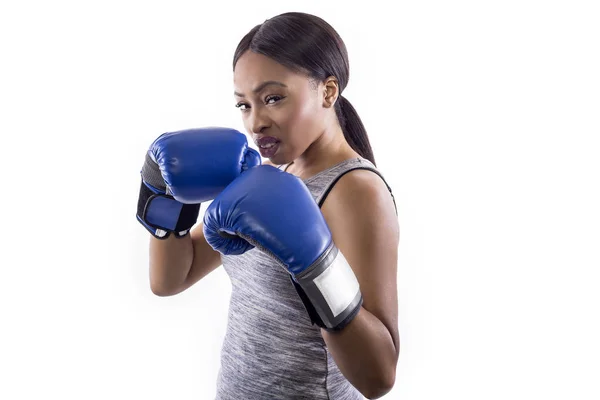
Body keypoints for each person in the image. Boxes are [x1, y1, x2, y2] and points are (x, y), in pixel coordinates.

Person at [136, 11, 400, 400]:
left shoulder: (355, 190)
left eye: (273, 98)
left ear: (328, 92)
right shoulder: (266, 175)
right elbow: (171, 279)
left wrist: (314, 266)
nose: (255, 122)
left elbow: (379, 377)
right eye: (244, 105)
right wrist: (160, 193)